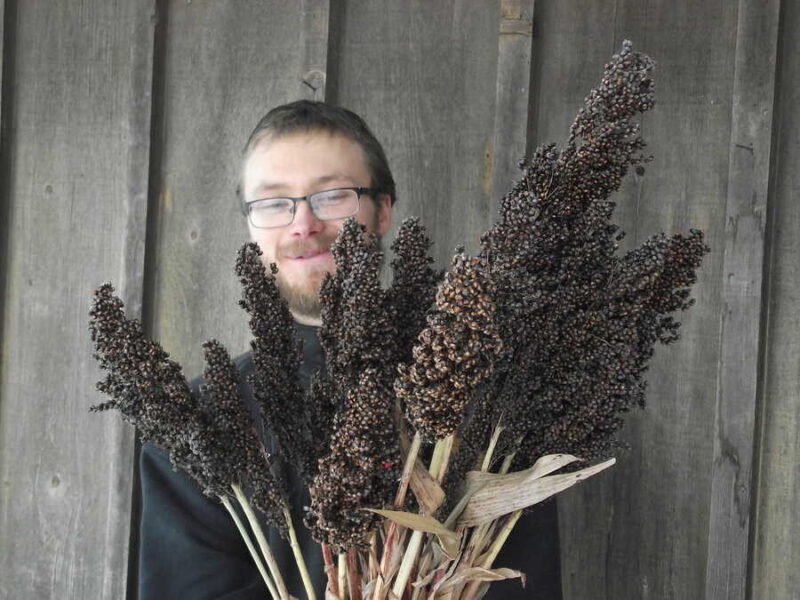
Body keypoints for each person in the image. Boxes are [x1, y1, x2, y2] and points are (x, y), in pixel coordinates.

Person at [138, 100, 562, 599]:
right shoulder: (195, 424)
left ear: (383, 210)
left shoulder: (487, 402)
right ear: (250, 225)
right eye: (273, 203)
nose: (303, 224)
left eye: (333, 195)